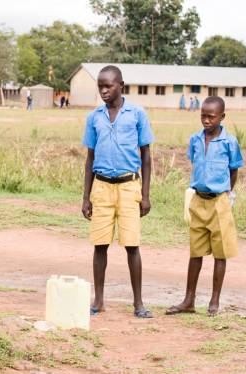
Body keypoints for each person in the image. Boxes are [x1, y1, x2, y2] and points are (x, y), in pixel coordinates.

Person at [81, 65, 154, 319]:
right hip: (101, 187)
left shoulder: (137, 114)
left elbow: (146, 156)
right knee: (100, 245)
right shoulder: (95, 117)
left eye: (108, 86)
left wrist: (145, 194)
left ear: (121, 85)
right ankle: (99, 300)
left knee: (131, 245)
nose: (103, 90)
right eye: (100, 86)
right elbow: (89, 159)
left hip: (128, 186)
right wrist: (85, 197)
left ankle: (138, 303)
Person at [166, 96, 243, 317]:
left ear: (222, 117)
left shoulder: (230, 142)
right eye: (203, 116)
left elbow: (234, 169)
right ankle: (188, 300)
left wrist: (227, 192)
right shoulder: (195, 139)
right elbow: (196, 163)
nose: (206, 120)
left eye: (211, 117)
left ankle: (214, 301)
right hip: (198, 200)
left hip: (219, 201)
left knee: (220, 253)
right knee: (195, 252)